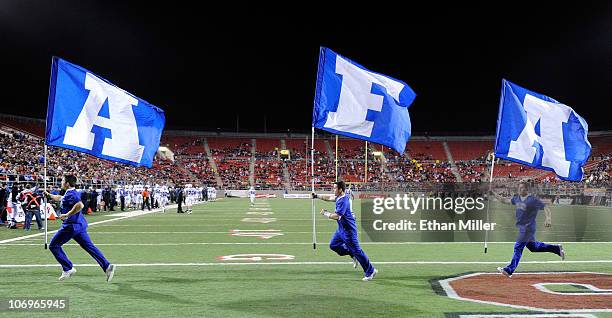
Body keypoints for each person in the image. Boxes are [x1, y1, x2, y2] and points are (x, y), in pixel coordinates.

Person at [44, 174, 116, 282]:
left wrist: (67, 214)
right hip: (79, 225)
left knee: (54, 246)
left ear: (67, 183)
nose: (61, 182)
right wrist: (49, 195)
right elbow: (60, 198)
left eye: (63, 181)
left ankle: (68, 268)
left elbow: (80, 205)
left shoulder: (72, 194)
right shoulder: (69, 193)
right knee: (89, 246)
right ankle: (107, 266)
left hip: (71, 226)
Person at [491, 181, 565, 278]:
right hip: (522, 228)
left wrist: (548, 218)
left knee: (518, 247)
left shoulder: (532, 200)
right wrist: (492, 193)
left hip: (528, 228)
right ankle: (556, 248)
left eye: (522, 188)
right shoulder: (516, 198)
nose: (520, 189)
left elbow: (546, 207)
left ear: (527, 189)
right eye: (519, 187)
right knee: (534, 247)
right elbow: (505, 200)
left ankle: (509, 270)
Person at [313, 181, 377, 281]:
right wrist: (316, 196)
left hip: (349, 231)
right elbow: (329, 198)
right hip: (341, 229)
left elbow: (337, 216)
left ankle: (370, 271)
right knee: (333, 245)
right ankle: (352, 254)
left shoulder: (343, 201)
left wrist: (325, 213)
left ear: (340, 190)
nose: (333, 190)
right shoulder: (339, 197)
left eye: (334, 188)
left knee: (358, 251)